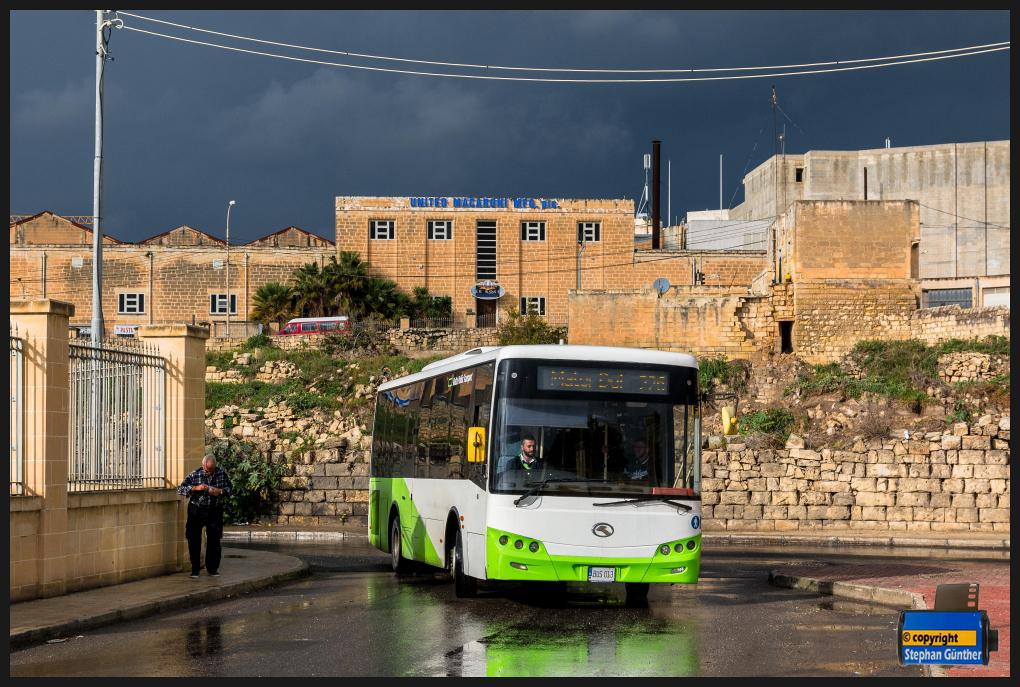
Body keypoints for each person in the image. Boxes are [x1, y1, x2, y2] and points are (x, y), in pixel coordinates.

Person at [177, 454, 233, 578]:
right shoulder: (195, 474)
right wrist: (196, 488)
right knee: (194, 539)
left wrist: (221, 491)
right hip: (196, 510)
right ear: (203, 466)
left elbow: (230, 488)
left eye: (212, 470)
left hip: (214, 510)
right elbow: (180, 489)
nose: (209, 472)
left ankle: (212, 569)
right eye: (207, 470)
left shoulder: (221, 474)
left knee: (214, 539)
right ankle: (195, 569)